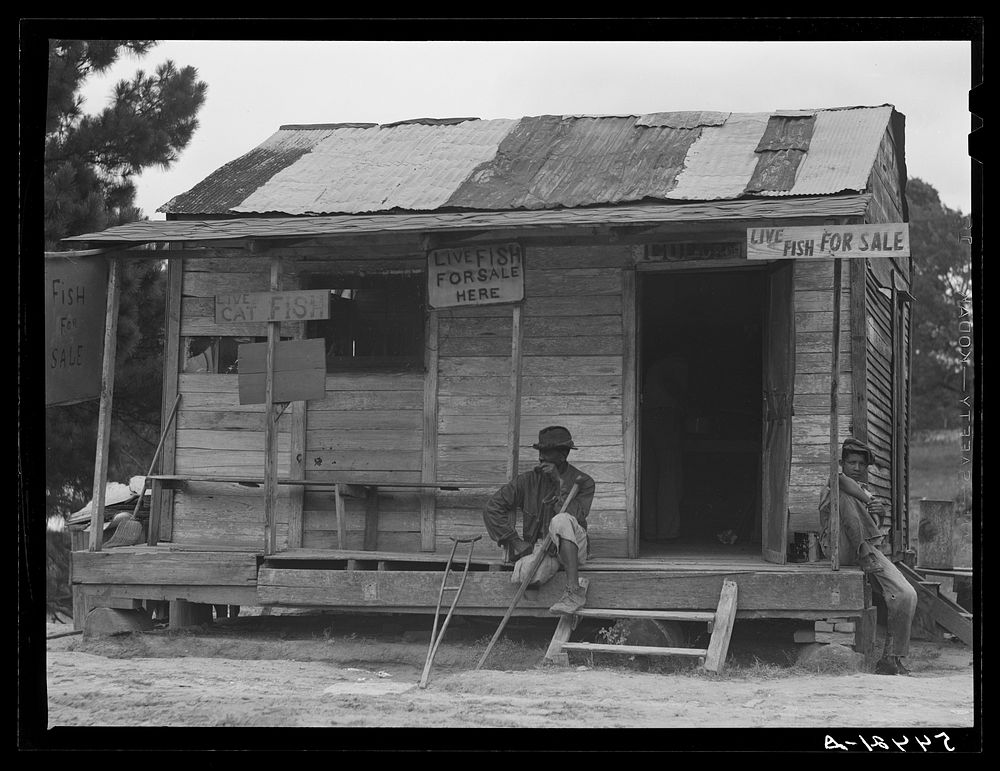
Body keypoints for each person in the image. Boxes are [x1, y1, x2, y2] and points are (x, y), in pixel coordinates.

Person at [819, 437, 918, 676]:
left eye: (861, 464)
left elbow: (873, 531)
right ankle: (864, 554)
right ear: (842, 463)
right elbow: (843, 484)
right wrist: (869, 500)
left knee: (907, 594)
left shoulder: (865, 491)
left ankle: (891, 658)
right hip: (839, 548)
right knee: (845, 498)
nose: (857, 467)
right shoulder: (835, 481)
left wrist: (880, 515)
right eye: (851, 462)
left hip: (869, 552)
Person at [483, 426, 596, 615]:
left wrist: (559, 483)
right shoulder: (527, 481)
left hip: (575, 544)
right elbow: (492, 508)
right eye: (540, 452)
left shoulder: (583, 482)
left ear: (563, 454)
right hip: (545, 548)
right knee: (525, 574)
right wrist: (515, 541)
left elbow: (574, 516)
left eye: (547, 452)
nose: (541, 458)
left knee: (561, 520)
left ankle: (574, 592)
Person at [640, 357, 687, 540]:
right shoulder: (675, 364)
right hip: (666, 415)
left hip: (646, 415)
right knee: (669, 474)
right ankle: (667, 531)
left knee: (649, 474)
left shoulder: (654, 365)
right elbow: (675, 389)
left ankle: (649, 529)